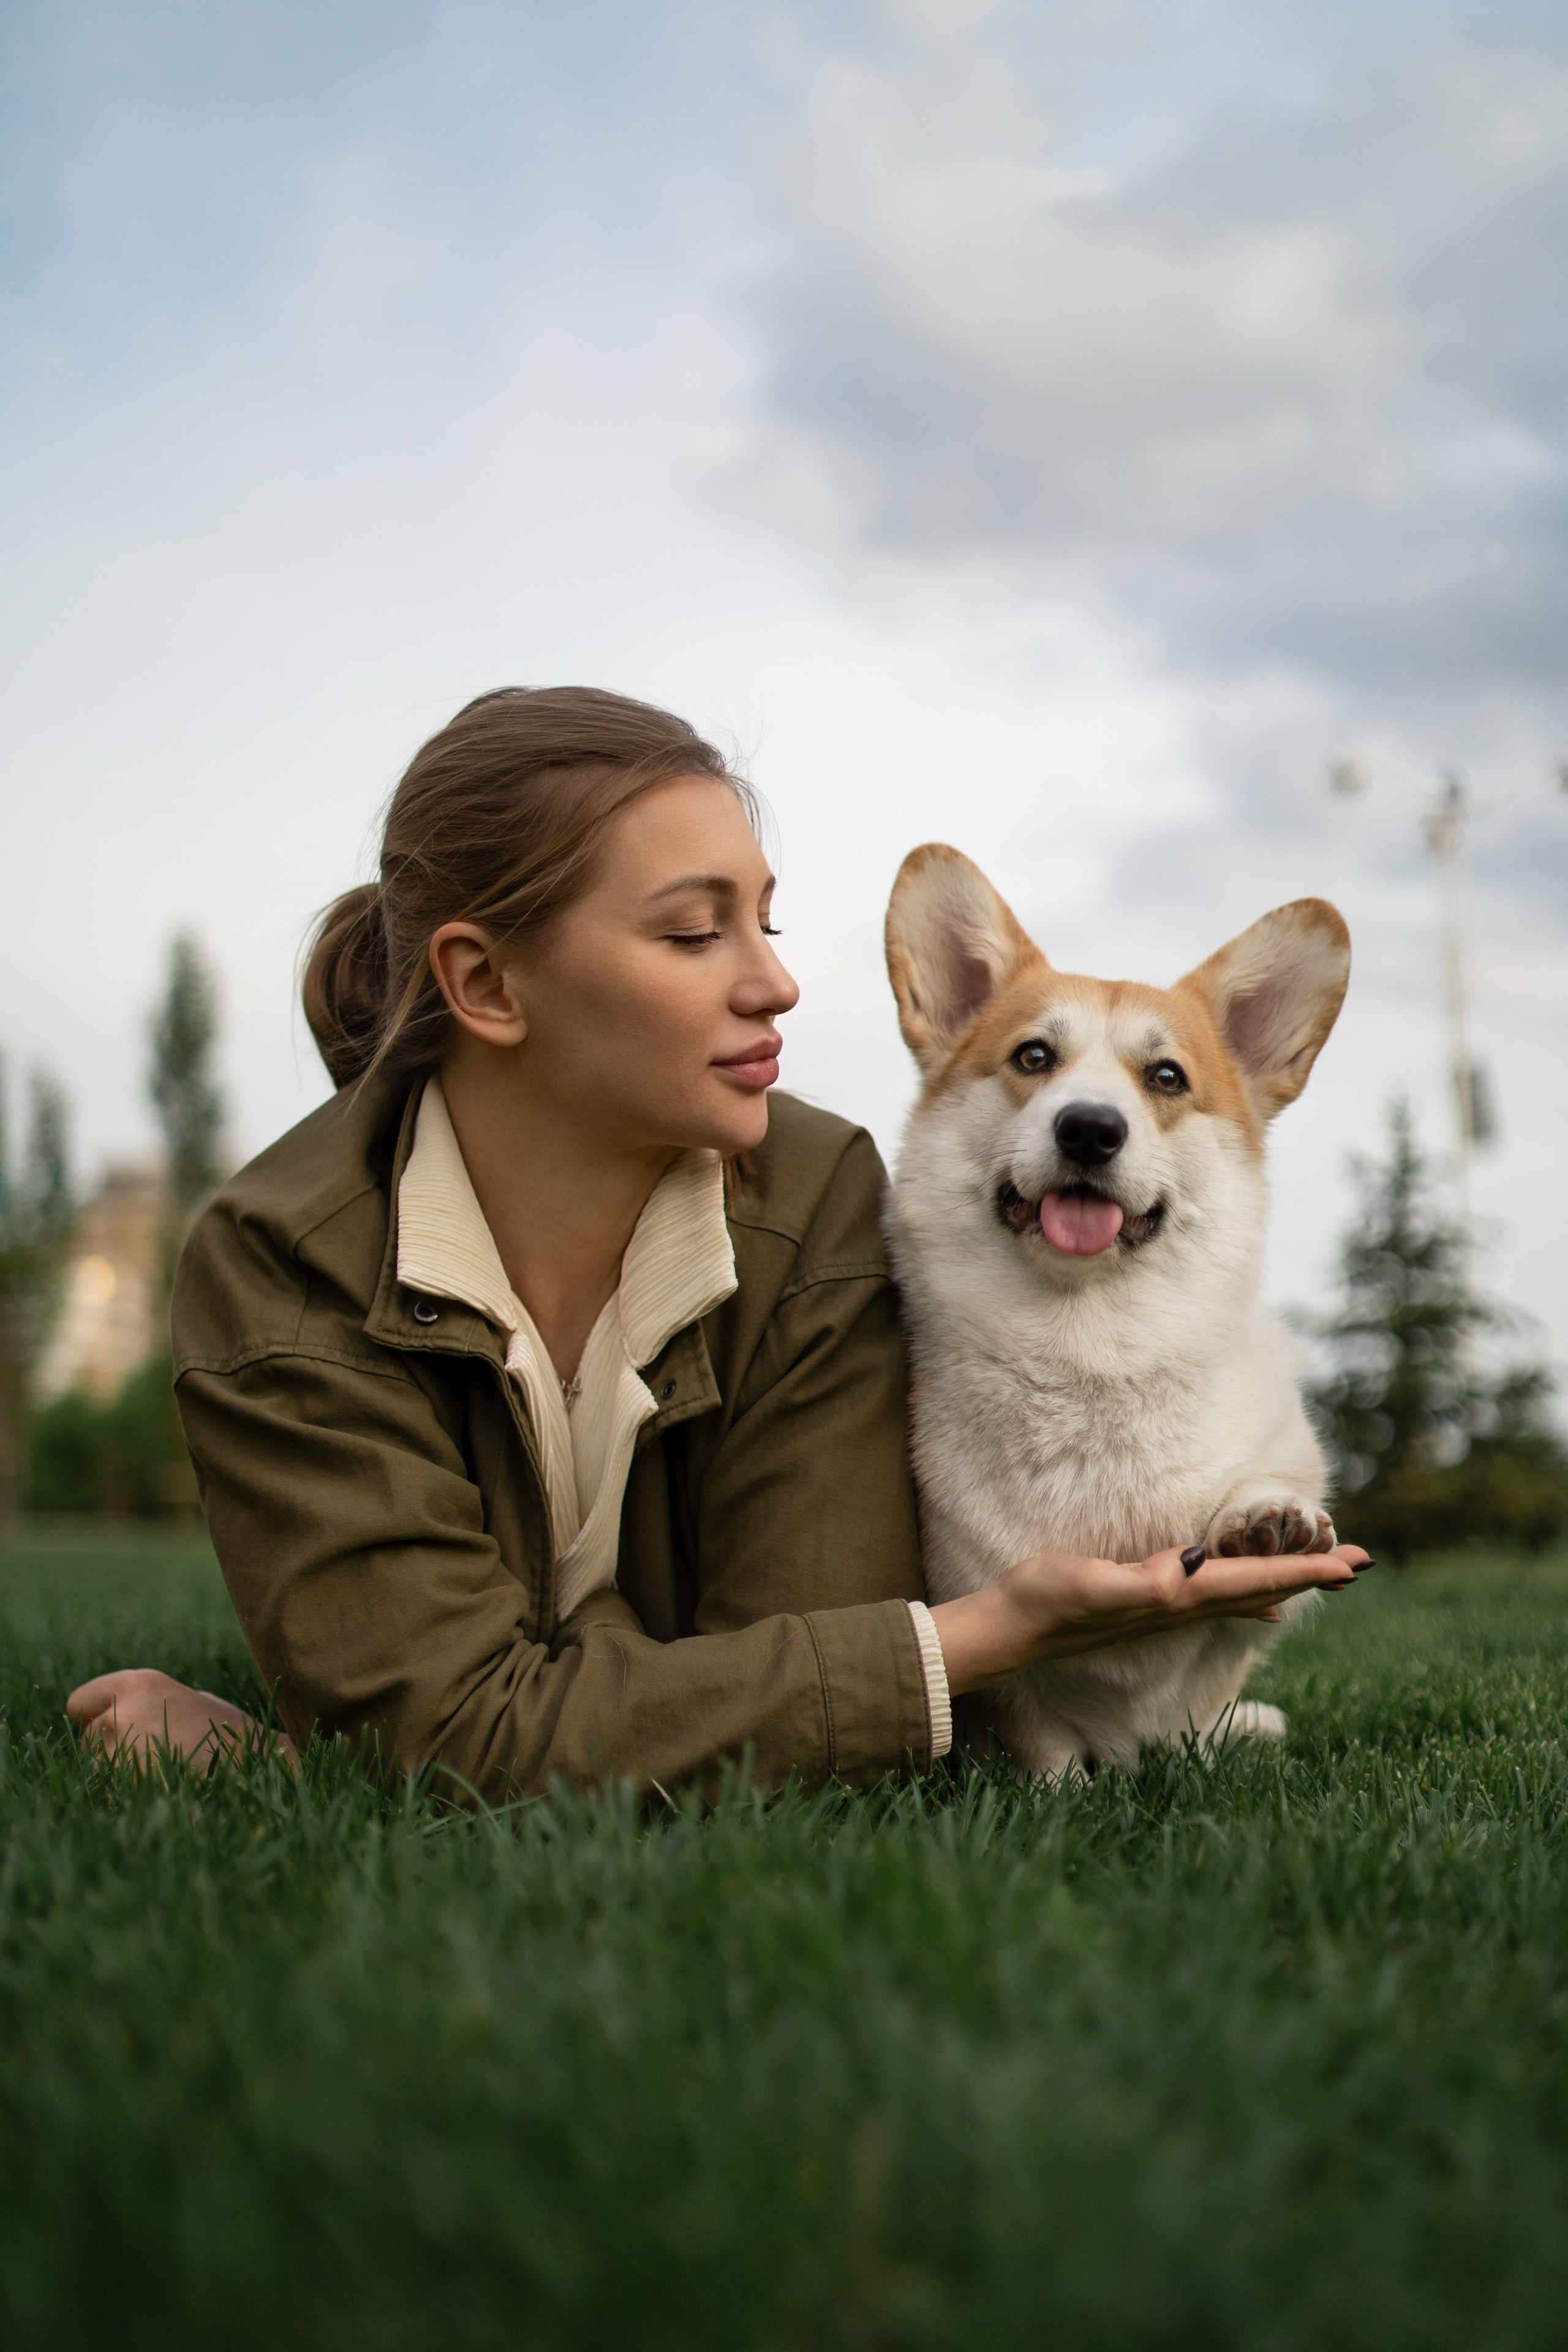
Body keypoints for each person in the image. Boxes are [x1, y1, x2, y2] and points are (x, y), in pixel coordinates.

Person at [67, 687, 1366, 1793]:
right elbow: (474, 1720)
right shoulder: (281, 1266)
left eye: (766, 921)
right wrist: (927, 1652)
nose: (775, 982)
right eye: (695, 932)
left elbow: (806, 1698)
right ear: (484, 985)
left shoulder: (808, 1200)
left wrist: (304, 1750)